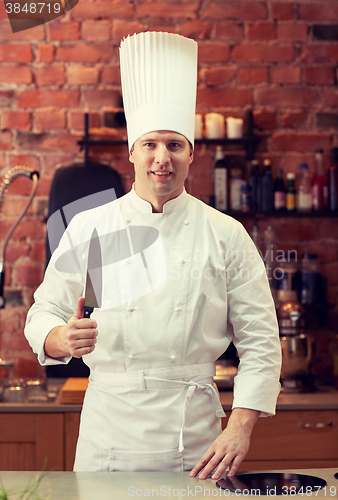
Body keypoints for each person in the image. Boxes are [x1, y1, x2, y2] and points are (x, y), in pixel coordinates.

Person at [25, 32, 281, 479]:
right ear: (132, 153)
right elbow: (42, 312)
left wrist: (241, 427)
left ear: (191, 155)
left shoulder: (226, 234)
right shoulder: (89, 226)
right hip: (108, 435)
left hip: (198, 440)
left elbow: (261, 341)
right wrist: (60, 339)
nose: (162, 157)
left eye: (174, 145)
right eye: (150, 144)